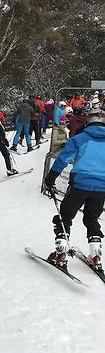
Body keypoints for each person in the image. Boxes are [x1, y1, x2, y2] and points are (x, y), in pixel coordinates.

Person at [44, 107, 105, 272]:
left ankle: (60, 254)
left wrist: (50, 179)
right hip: (101, 187)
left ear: (87, 121)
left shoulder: (79, 139)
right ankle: (96, 256)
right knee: (92, 219)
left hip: (79, 184)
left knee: (65, 217)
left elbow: (62, 160)